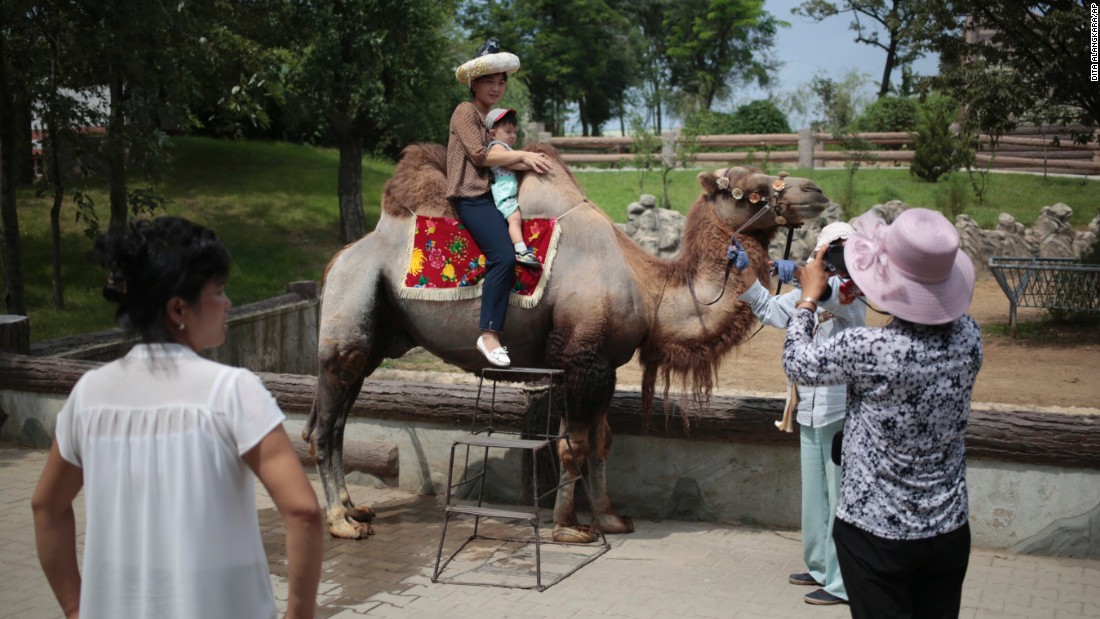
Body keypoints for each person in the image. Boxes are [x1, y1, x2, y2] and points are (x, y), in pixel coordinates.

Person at [31, 217, 324, 619]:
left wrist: (75, 606)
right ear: (178, 308)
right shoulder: (231, 392)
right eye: (219, 292)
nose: (228, 303)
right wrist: (300, 614)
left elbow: (46, 506)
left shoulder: (89, 396)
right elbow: (304, 511)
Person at [781, 208, 982, 619]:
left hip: (875, 534)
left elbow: (796, 363)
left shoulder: (868, 350)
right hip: (948, 529)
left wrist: (807, 299)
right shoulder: (970, 337)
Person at [735, 222, 865, 607]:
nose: (822, 261)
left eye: (829, 254)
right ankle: (821, 566)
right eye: (823, 253)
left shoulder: (853, 292)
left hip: (840, 409)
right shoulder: (818, 289)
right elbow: (773, 311)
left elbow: (825, 295)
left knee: (841, 498)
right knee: (815, 497)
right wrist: (747, 270)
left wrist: (797, 272)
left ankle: (843, 584)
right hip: (809, 407)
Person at [448, 38, 552, 368]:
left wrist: (534, 162)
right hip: (471, 198)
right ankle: (489, 334)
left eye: (500, 81)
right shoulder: (465, 112)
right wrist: (523, 154)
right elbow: (482, 155)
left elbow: (503, 159)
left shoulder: (488, 119)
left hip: (489, 197)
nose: (496, 87)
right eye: (489, 81)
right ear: (474, 83)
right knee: (504, 256)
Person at [485, 107, 541, 269]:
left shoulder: (505, 148)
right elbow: (512, 163)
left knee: (514, 218)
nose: (512, 136)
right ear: (493, 133)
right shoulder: (497, 148)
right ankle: (521, 250)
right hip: (504, 191)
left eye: (514, 132)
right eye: (508, 131)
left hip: (507, 189)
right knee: (514, 219)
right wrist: (530, 163)